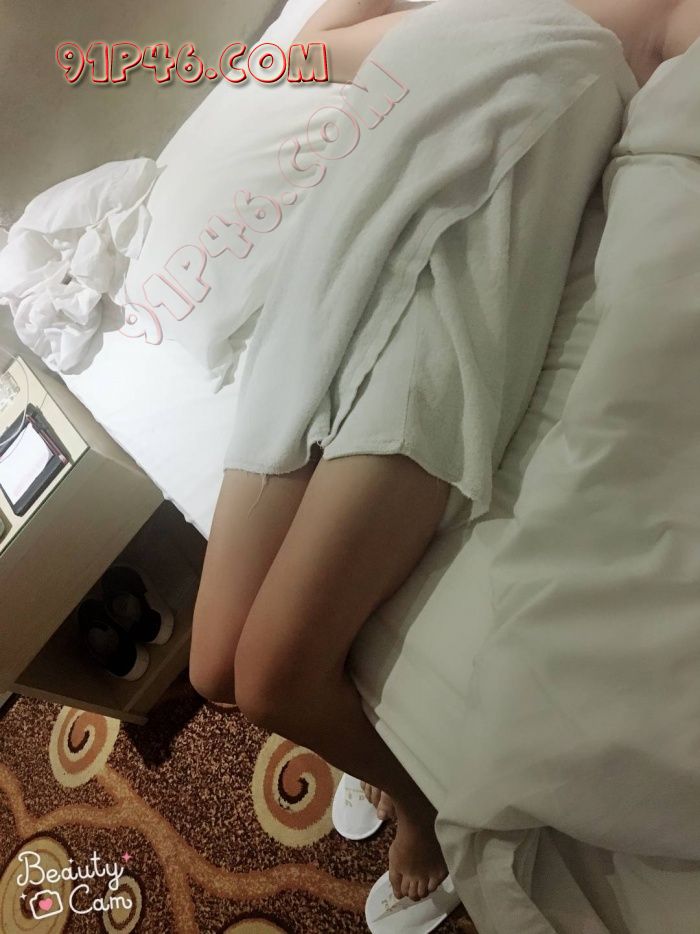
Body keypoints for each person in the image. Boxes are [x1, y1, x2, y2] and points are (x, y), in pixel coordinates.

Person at [189, 0, 700, 905]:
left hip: (445, 308)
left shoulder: (655, 16)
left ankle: (420, 806)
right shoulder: (441, 15)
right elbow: (294, 59)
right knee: (210, 668)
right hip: (325, 293)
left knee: (270, 681)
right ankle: (379, 759)